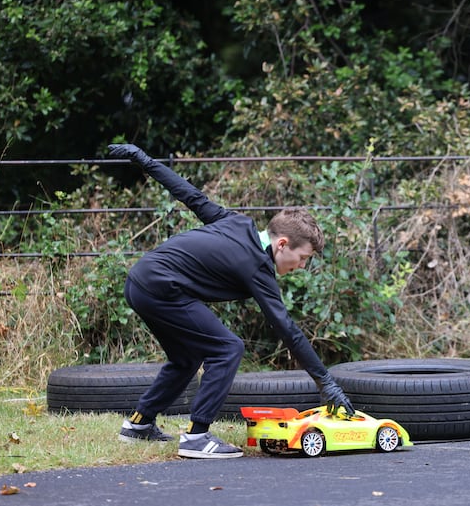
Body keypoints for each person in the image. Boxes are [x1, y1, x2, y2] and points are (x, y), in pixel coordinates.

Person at [108, 143, 354, 459]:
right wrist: (326, 382)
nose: (302, 266)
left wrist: (143, 159)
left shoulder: (237, 223)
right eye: (303, 257)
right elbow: (288, 330)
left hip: (140, 281)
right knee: (227, 348)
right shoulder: (256, 266)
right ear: (282, 244)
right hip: (160, 288)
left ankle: (139, 424)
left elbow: (190, 195)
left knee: (186, 358)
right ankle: (196, 437)